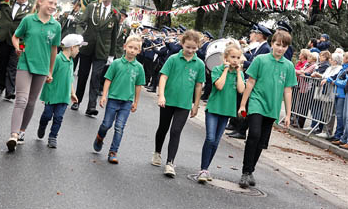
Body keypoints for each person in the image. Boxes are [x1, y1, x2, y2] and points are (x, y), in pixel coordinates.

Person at [237, 30, 297, 188]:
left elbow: (288, 90)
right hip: (257, 102)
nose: (280, 48)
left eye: (284, 46)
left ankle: (250, 170)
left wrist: (288, 114)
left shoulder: (289, 66)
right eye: (278, 45)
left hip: (273, 107)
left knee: (261, 142)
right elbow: (250, 82)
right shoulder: (260, 60)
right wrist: (243, 104)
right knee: (254, 135)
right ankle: (245, 172)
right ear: (272, 44)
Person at [5, 0, 61, 152]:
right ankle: (13, 135)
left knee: (31, 102)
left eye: (55, 4)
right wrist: (18, 48)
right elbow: (16, 37)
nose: (53, 6)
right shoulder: (29, 20)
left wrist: (50, 71)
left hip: (42, 69)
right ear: (40, 2)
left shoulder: (56, 26)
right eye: (50, 2)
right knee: (21, 99)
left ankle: (22, 132)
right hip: (25, 64)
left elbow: (53, 50)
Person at [152, 30, 205, 178]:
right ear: (182, 44)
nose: (190, 50)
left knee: (176, 131)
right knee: (163, 128)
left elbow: (198, 85)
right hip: (168, 100)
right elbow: (163, 77)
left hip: (184, 104)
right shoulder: (173, 59)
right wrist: (161, 95)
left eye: (194, 48)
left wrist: (196, 105)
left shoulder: (199, 64)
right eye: (188, 47)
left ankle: (170, 163)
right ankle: (157, 152)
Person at [93, 35, 145, 163]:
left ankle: (113, 152)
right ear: (125, 47)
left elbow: (138, 86)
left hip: (126, 102)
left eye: (135, 48)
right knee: (106, 124)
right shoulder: (116, 63)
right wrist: (104, 96)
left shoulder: (139, 67)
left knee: (119, 127)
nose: (132, 50)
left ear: (139, 51)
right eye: (130, 47)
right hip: (113, 99)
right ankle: (100, 136)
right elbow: (108, 80)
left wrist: (136, 102)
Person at [197, 44, 245, 183]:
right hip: (213, 108)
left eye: (238, 57)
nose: (235, 60)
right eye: (232, 57)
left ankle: (205, 169)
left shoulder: (239, 73)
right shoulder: (217, 69)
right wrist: (225, 69)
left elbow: (241, 90)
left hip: (227, 110)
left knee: (216, 141)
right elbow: (219, 85)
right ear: (225, 58)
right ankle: (203, 169)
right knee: (210, 138)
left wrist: (238, 72)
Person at [71, 0, 120, 116]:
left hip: (102, 50)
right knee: (82, 75)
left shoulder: (115, 14)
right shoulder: (92, 7)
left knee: (96, 77)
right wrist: (80, 36)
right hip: (87, 46)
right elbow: (81, 23)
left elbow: (114, 35)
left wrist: (111, 55)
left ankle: (91, 106)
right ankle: (77, 101)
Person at [37, 34, 86, 148]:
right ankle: (42, 124)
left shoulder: (71, 62)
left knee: (59, 117)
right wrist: (47, 79)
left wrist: (73, 93)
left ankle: (53, 137)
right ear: (72, 47)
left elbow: (70, 79)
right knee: (47, 115)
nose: (79, 51)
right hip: (52, 94)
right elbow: (48, 73)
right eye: (78, 48)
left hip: (64, 96)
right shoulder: (57, 59)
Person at [0, 0, 33, 101]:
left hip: (21, 40)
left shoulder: (32, 9)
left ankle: (10, 91)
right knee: (2, 62)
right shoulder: (7, 2)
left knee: (14, 65)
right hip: (4, 36)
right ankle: (0, 87)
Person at [324, 51, 348, 142]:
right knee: (339, 115)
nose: (343, 58)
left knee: (340, 116)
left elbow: (346, 82)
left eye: (344, 57)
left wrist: (335, 82)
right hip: (338, 93)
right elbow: (336, 77)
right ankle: (337, 134)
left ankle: (339, 135)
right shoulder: (344, 68)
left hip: (342, 94)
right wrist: (330, 79)